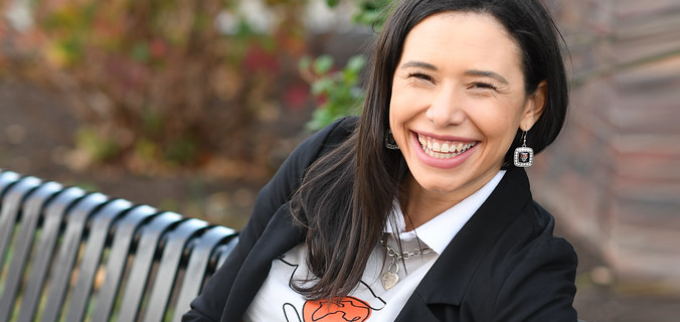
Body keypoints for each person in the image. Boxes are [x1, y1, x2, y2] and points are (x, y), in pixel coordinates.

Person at [183, 0, 577, 321]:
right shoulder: (327, 159)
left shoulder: (529, 274)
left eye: (481, 86)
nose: (442, 114)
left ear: (532, 105)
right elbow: (210, 314)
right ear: (390, 83)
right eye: (422, 77)